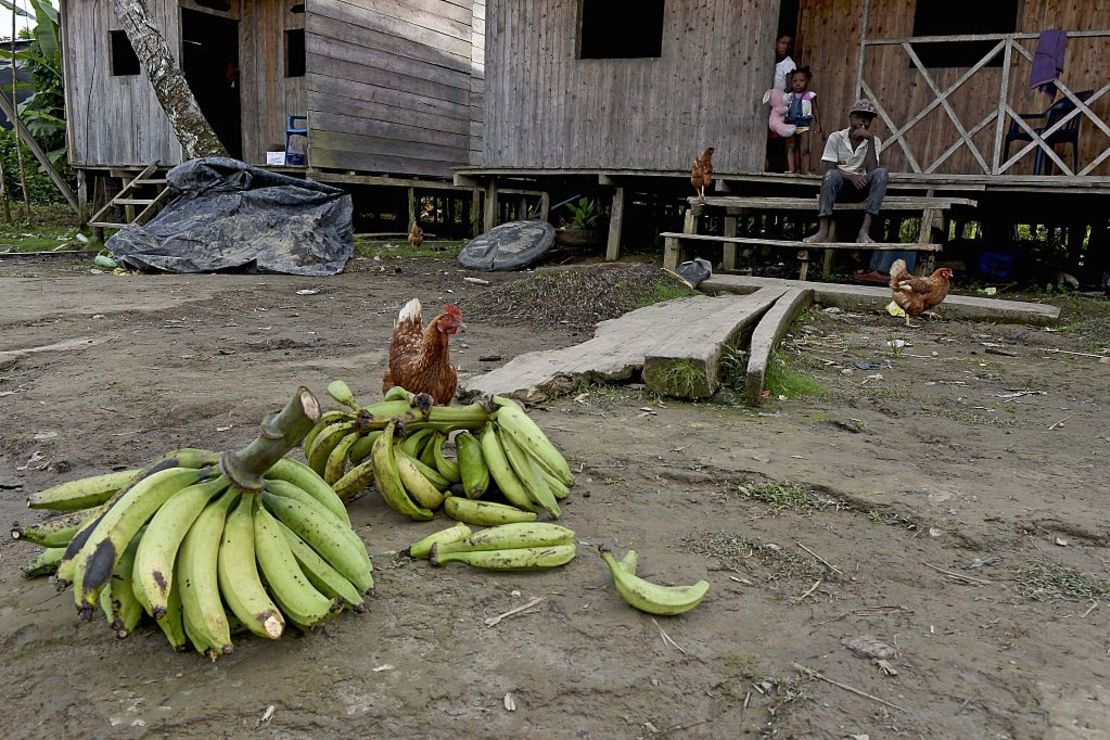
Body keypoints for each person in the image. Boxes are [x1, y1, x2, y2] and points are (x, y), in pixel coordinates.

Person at [804, 98, 890, 246]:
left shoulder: (873, 141)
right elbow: (829, 168)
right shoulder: (836, 137)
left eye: (867, 119)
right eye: (858, 117)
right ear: (850, 118)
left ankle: (864, 231)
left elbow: (872, 170)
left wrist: (869, 141)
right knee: (831, 175)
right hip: (840, 187)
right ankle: (822, 230)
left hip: (862, 188)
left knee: (882, 173)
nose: (862, 122)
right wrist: (851, 177)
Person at [783, 67, 820, 174]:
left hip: (804, 125)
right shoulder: (789, 96)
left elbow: (815, 109)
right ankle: (792, 169)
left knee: (805, 148)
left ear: (807, 81)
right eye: (795, 81)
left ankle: (807, 170)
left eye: (801, 81)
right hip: (791, 124)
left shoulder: (810, 95)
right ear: (791, 82)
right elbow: (784, 109)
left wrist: (818, 123)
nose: (798, 84)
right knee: (791, 147)